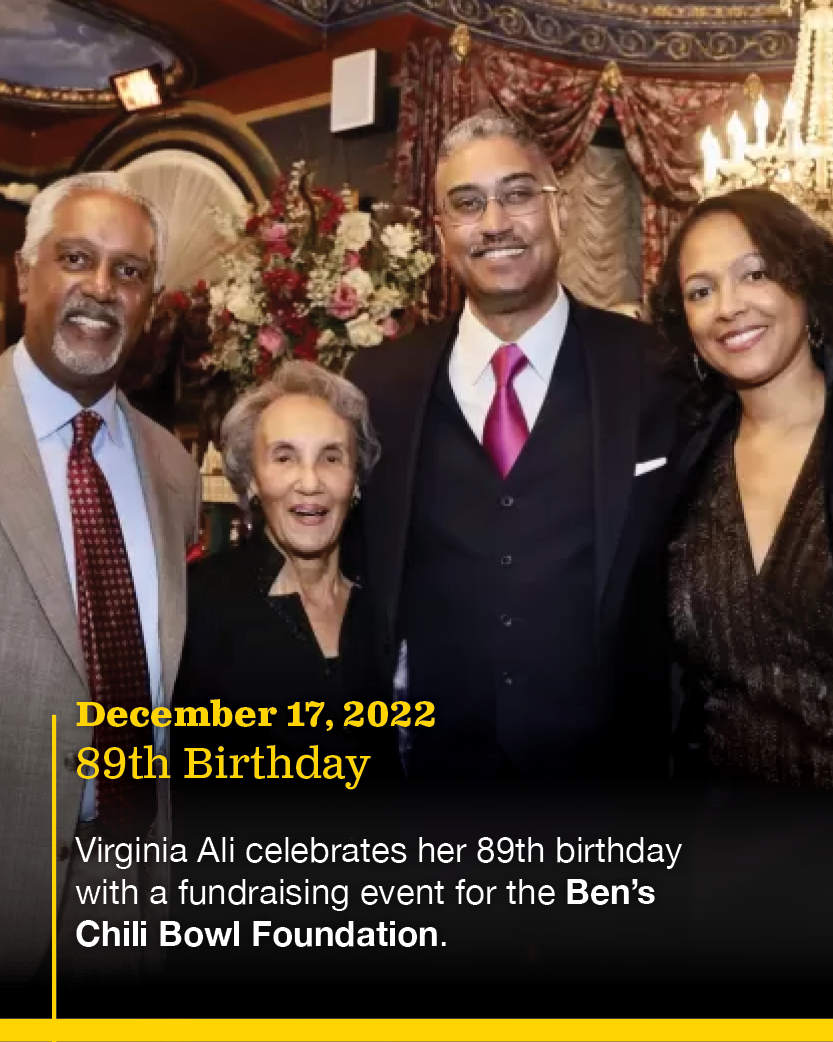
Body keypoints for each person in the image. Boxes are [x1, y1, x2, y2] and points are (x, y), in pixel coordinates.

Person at [345, 110, 680, 785]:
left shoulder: (654, 368)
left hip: (613, 791)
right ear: (442, 234)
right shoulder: (378, 383)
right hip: (434, 790)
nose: (494, 220)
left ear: (555, 209)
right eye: (466, 204)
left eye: (518, 193)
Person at [0, 172, 201, 993]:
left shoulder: (173, 468)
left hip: (133, 897)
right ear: (23, 273)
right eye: (76, 258)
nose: (100, 289)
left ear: (150, 298)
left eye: (129, 271)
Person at [650, 187, 833, 789]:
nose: (728, 307)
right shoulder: (684, 465)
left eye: (754, 274)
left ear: (802, 280)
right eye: (701, 292)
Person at [172, 361, 401, 794]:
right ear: (253, 480)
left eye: (331, 457)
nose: (310, 482)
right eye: (284, 457)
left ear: (354, 480)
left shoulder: (386, 601)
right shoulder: (195, 607)